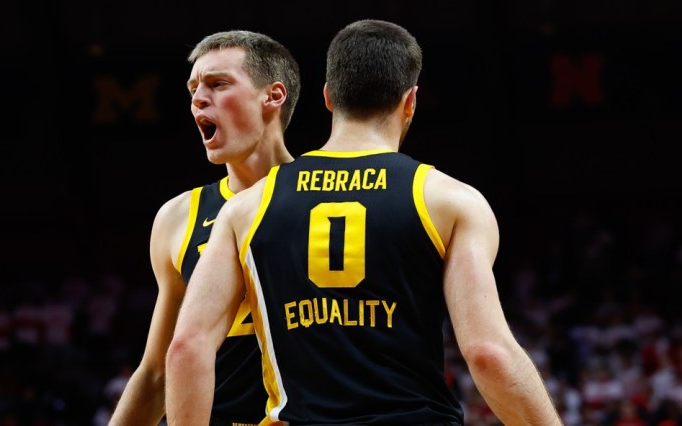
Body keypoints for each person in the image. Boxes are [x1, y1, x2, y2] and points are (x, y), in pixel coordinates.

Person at [165, 19, 562, 425]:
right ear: (410, 101)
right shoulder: (449, 200)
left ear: (328, 96)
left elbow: (187, 347)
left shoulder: (247, 207)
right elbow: (487, 353)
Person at [109, 30, 301, 426]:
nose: (198, 97)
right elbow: (157, 373)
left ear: (273, 96)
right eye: (193, 88)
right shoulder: (178, 216)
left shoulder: (326, 201)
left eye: (218, 84)